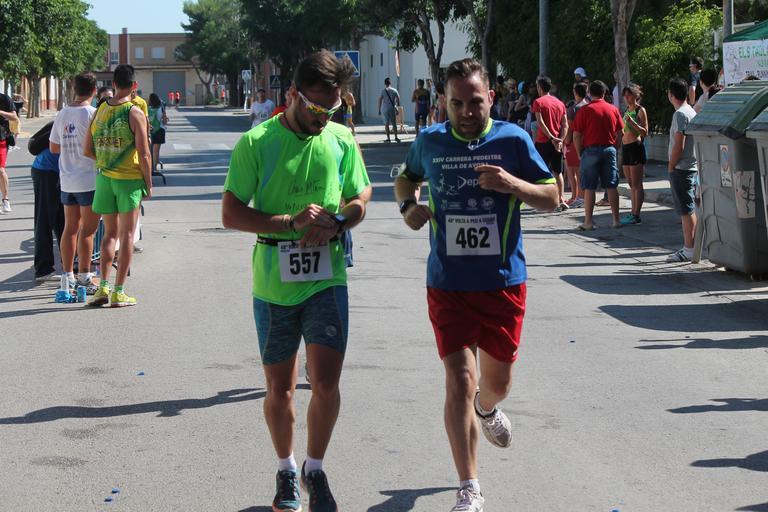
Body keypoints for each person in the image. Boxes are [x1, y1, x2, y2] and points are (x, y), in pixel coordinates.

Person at [394, 58, 557, 512]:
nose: (466, 111)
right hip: (448, 282)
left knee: (496, 383)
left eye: (475, 102)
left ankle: (487, 408)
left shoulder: (513, 139)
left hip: (502, 283)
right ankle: (469, 486)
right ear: (444, 102)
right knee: (460, 379)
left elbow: (553, 195)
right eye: (457, 103)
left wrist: (512, 184)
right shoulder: (430, 141)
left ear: (492, 98)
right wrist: (407, 206)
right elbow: (406, 179)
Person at [221, 49, 371, 512]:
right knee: (281, 389)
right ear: (292, 95)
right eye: (316, 107)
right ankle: (286, 469)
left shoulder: (340, 139)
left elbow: (361, 194)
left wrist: (341, 221)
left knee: (325, 382)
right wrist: (289, 222)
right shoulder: (256, 142)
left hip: (327, 278)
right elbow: (231, 214)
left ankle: (315, 468)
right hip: (273, 283)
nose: (324, 117)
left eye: (333, 108)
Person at [83, 64, 152, 307]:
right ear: (134, 86)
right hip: (128, 181)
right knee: (127, 235)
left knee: (109, 234)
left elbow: (87, 149)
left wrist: (107, 161)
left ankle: (103, 287)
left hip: (104, 179)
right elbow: (145, 153)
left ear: (113, 84)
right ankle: (119, 292)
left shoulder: (100, 110)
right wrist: (148, 183)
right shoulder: (134, 112)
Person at [49, 72, 101, 293]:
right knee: (88, 230)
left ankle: (67, 275)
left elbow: (53, 147)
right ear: (94, 90)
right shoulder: (93, 114)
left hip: (67, 179)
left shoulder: (62, 113)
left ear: (74, 88)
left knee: (70, 228)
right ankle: (85, 277)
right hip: (88, 179)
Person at [572, 80, 624, 231]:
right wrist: (615, 147)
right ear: (604, 92)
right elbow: (620, 132)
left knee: (589, 187)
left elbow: (576, 135)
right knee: (612, 185)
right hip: (609, 149)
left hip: (590, 150)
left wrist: (579, 152)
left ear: (589, 93)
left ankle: (588, 222)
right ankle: (616, 220)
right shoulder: (613, 109)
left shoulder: (584, 110)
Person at [666, 78, 698, 262]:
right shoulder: (690, 111)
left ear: (671, 94)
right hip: (690, 166)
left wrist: (671, 165)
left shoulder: (680, 114)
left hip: (682, 167)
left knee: (685, 210)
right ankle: (692, 247)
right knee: (689, 208)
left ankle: (689, 248)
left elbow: (680, 144)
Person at [531, 76, 568, 210]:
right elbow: (565, 124)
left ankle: (543, 201)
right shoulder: (560, 103)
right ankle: (560, 199)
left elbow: (540, 123)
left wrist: (551, 138)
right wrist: (560, 139)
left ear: (540, 88)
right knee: (558, 172)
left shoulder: (538, 102)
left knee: (541, 172)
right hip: (557, 142)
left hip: (543, 141)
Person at [30, 147, 64, 281]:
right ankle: (43, 269)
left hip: (56, 170)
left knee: (63, 220)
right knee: (44, 220)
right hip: (47, 170)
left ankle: (70, 266)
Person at [619, 83, 649, 226]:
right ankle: (632, 212)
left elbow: (645, 132)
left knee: (637, 183)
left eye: (629, 95)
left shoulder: (640, 110)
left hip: (635, 148)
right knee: (631, 183)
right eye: (625, 95)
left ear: (635, 95)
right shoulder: (626, 110)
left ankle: (636, 215)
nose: (626, 98)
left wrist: (633, 123)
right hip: (625, 148)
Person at [563, 82, 589, 208]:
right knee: (579, 171)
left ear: (575, 92)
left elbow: (569, 128)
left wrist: (566, 142)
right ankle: (579, 196)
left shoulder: (574, 109)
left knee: (573, 170)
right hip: (586, 141)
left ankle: (578, 196)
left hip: (574, 142)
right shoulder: (588, 105)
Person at [0, 90, 19, 214]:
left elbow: (14, 117)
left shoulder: (4, 98)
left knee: (1, 170)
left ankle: (5, 200)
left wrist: (1, 112)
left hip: (1, 138)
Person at [148, 93, 169, 176]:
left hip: (150, 130)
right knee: (156, 151)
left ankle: (150, 168)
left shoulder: (148, 108)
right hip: (160, 130)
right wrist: (166, 120)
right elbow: (165, 121)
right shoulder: (161, 108)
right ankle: (154, 168)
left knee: (150, 150)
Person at [378, 77, 401, 143]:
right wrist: (397, 106)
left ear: (385, 83)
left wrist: (379, 109)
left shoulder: (383, 91)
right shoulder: (394, 90)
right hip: (392, 108)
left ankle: (388, 138)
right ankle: (396, 137)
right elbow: (398, 98)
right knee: (394, 123)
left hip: (385, 109)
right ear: (390, 83)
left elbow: (380, 100)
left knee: (386, 124)